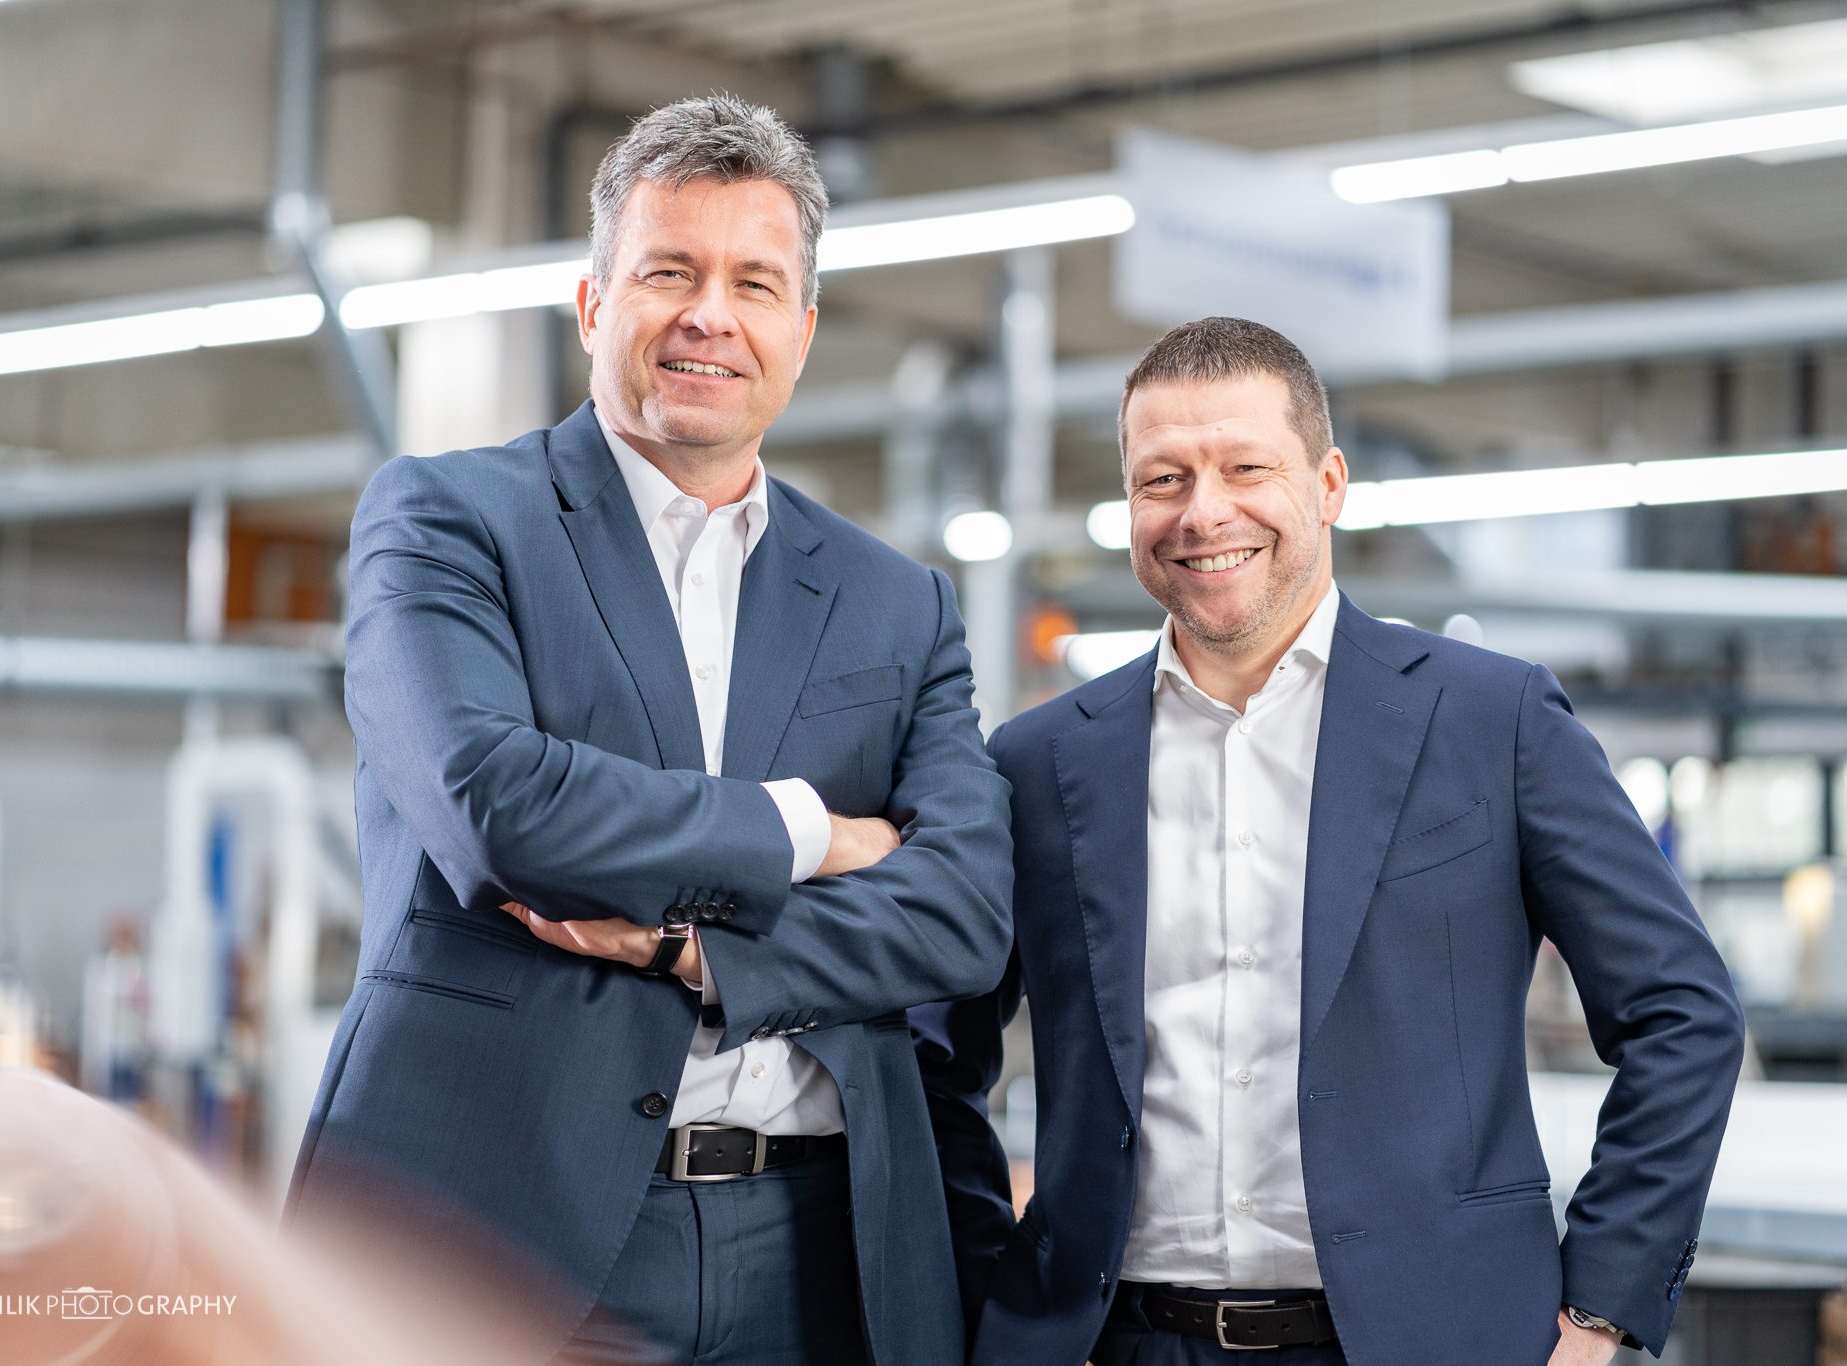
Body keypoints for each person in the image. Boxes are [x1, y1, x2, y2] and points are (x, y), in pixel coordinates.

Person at [289, 95, 1013, 1366]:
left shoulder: (895, 602)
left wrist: (694, 951)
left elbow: (961, 911)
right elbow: (502, 808)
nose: (708, 315)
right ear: (591, 303)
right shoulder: (448, 523)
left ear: (800, 331)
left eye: (753, 283)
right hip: (495, 1229)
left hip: (819, 1247)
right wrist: (812, 833)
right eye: (668, 271)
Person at [914, 317, 1745, 1366]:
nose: (1202, 511)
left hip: (1433, 1341)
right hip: (1121, 1343)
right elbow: (930, 1055)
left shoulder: (1492, 722)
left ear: (1328, 484)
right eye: (1162, 479)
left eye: (1244, 467)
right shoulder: (1037, 762)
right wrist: (997, 1294)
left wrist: (1597, 1318)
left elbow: (1681, 1013)